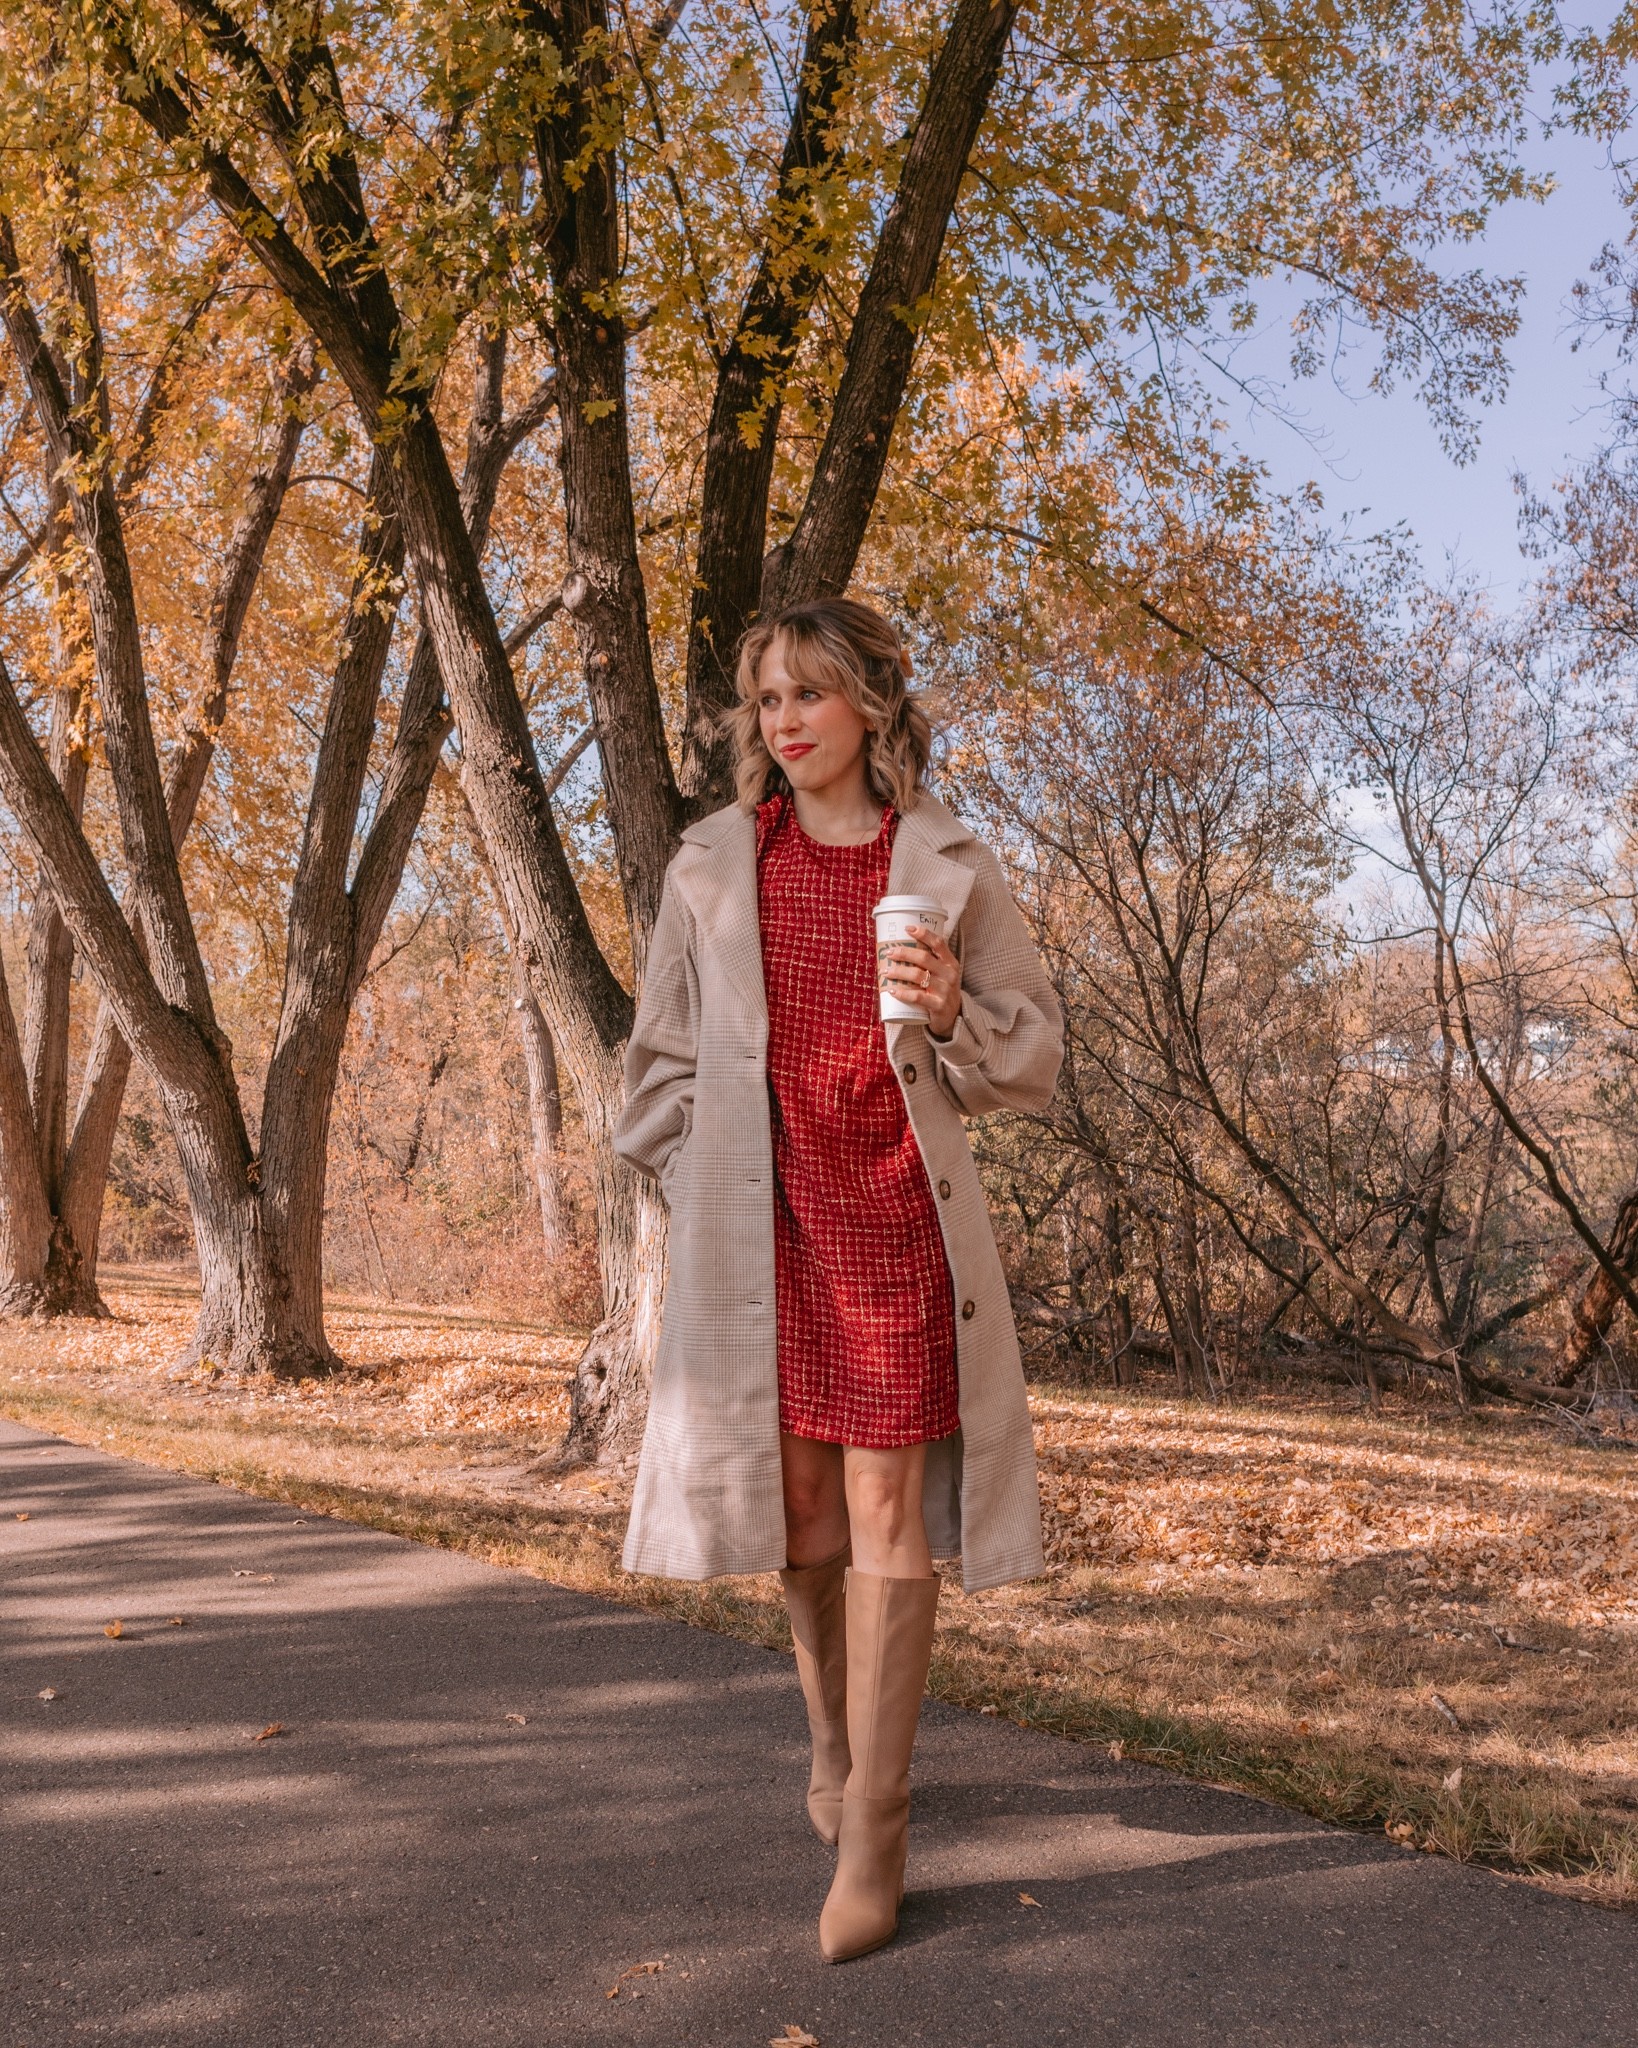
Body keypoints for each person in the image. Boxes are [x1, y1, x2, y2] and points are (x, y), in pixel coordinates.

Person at [613, 595, 1063, 1961]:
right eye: (765, 700)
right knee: (801, 1506)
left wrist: (946, 1011)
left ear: (870, 706)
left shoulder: (948, 865)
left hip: (893, 1217)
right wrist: (695, 1172)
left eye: (808, 694)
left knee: (883, 1506)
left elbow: (1027, 1053)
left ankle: (877, 1814)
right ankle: (828, 1739)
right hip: (764, 1219)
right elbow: (657, 1065)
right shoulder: (711, 866)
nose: (784, 722)